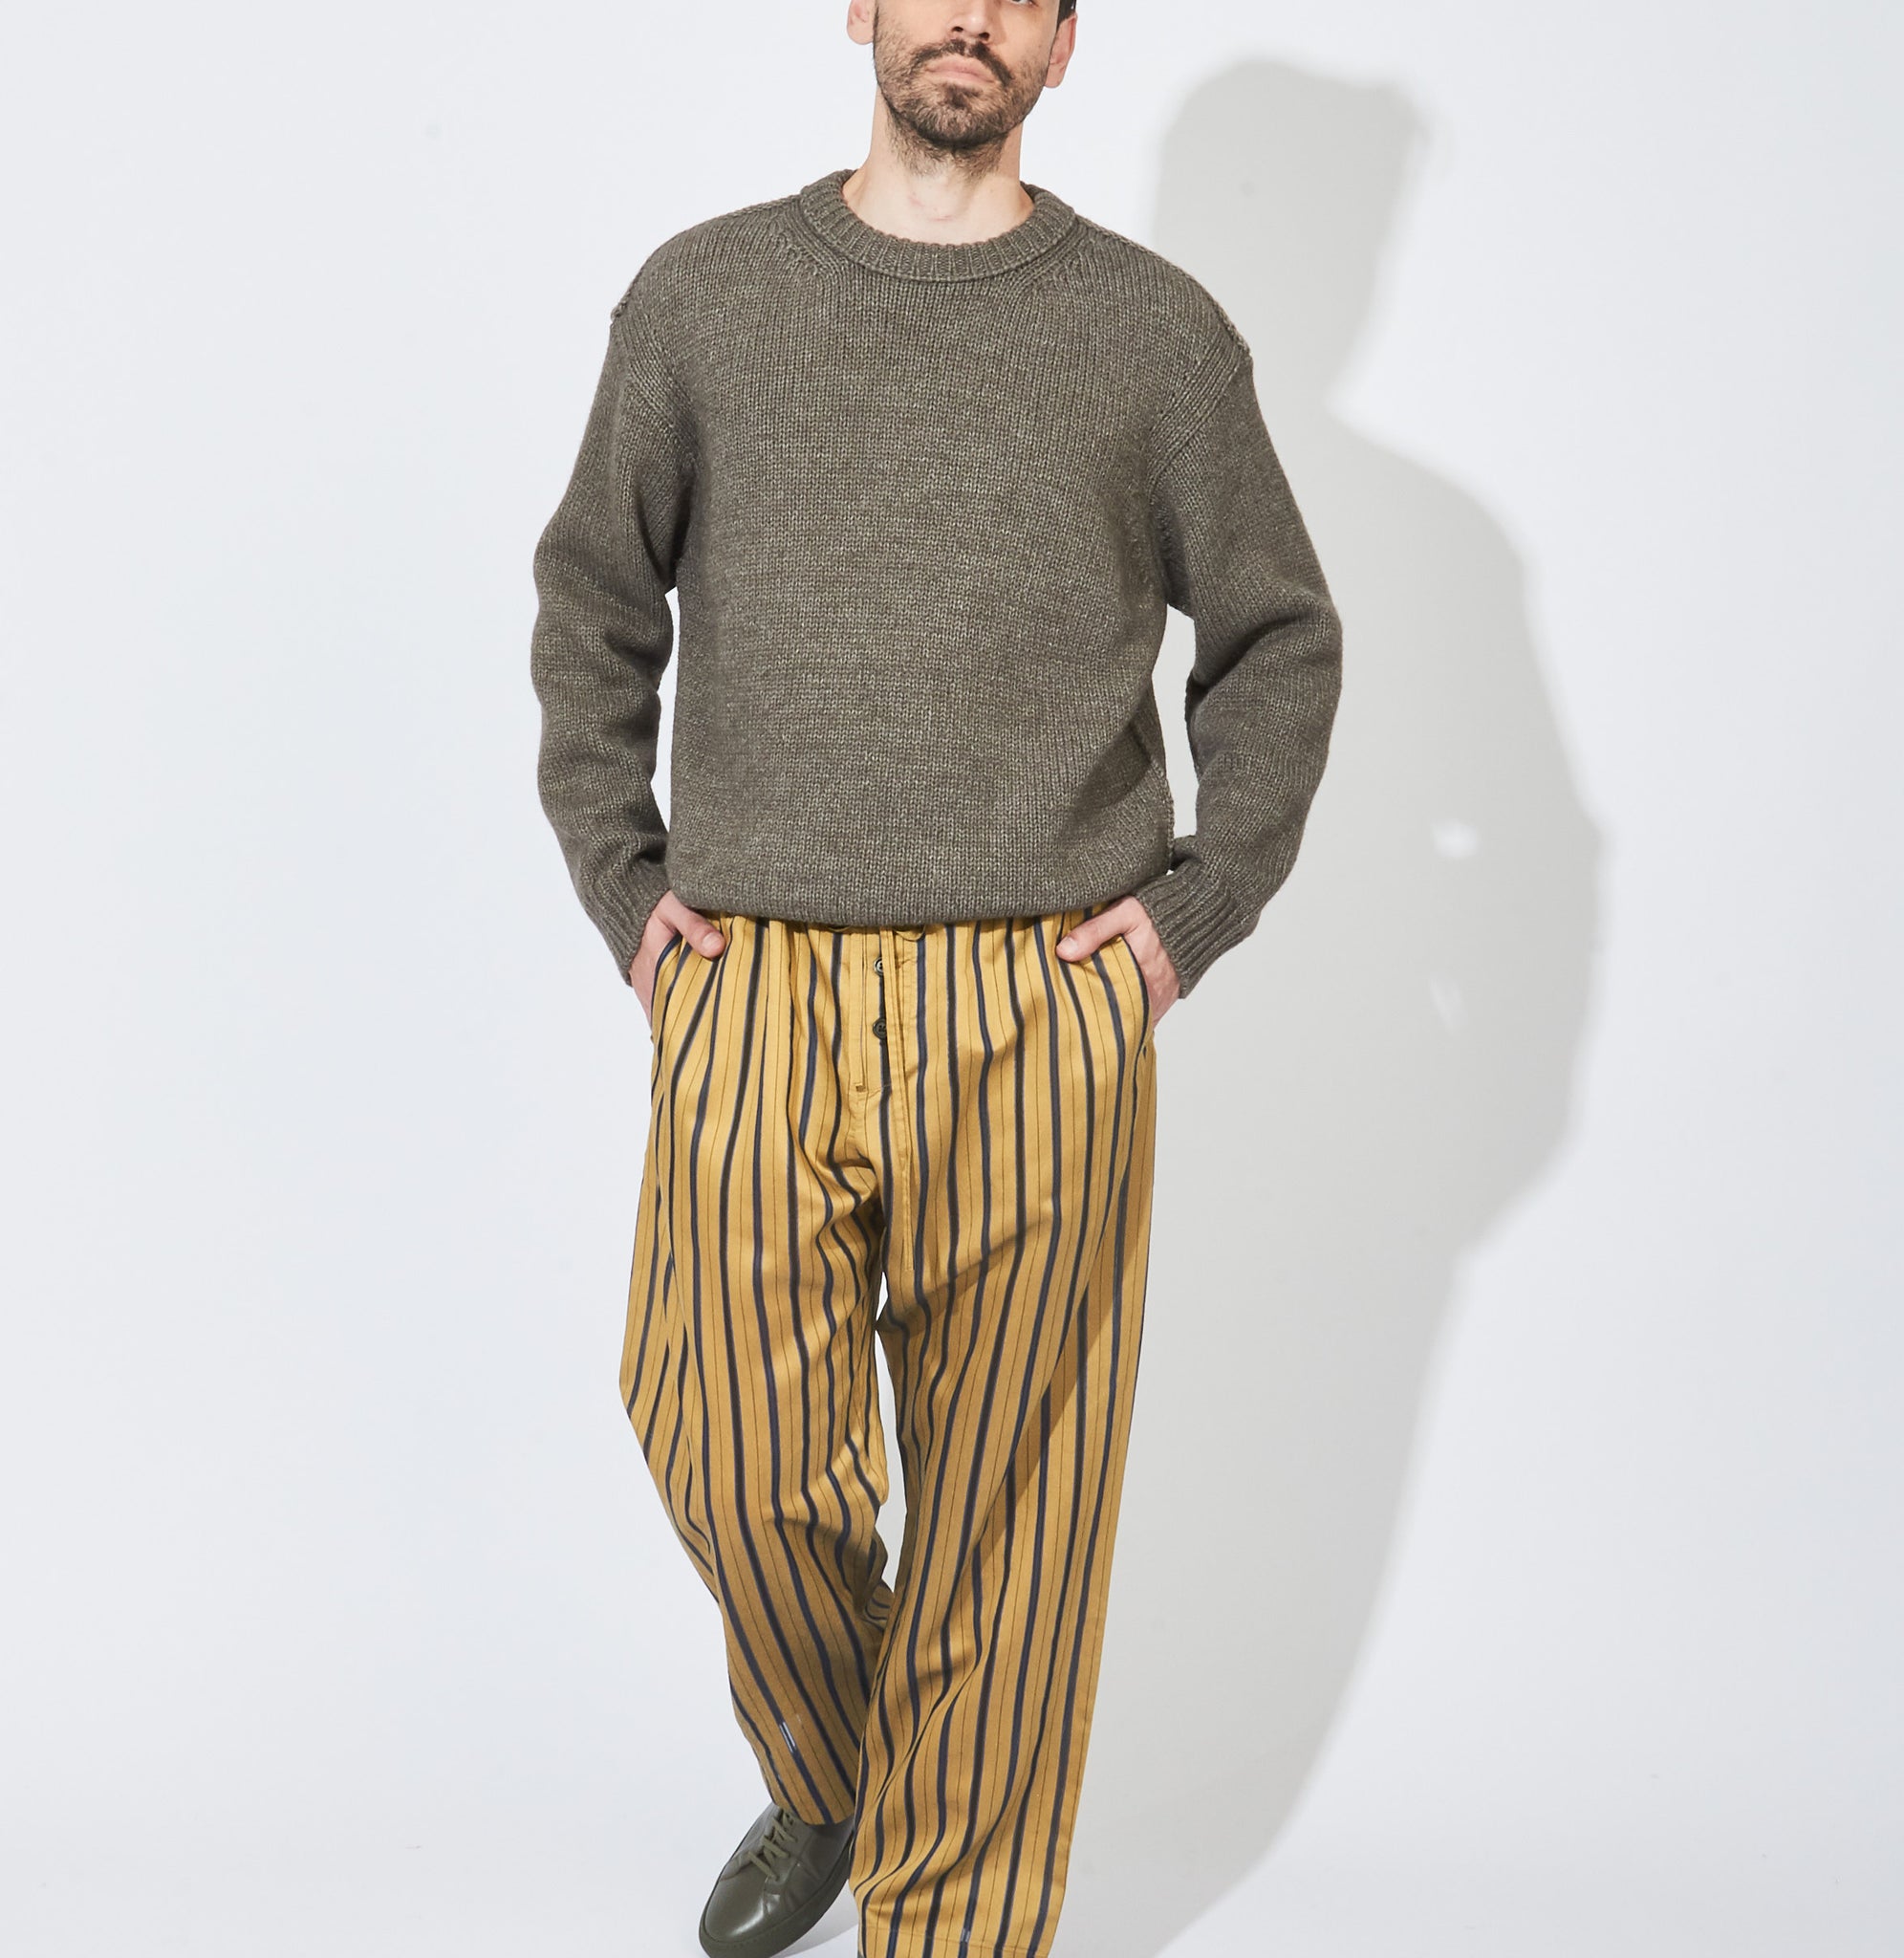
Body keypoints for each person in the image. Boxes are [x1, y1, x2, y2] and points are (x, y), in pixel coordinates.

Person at [528, 2, 1342, 1951]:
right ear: (863, 11)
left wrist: (1193, 910)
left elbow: (1277, 641)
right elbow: (592, 606)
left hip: (1044, 993)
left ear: (1063, 46)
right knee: (726, 1443)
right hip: (754, 979)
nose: (966, 16)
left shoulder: (1154, 335)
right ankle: (839, 1775)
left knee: (1010, 1511)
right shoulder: (705, 300)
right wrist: (626, 884)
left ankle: (951, 1923)